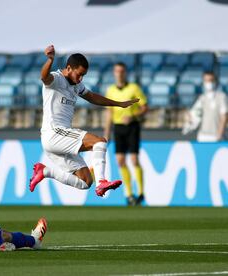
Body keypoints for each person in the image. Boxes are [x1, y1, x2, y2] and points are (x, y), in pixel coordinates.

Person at [29, 45, 139, 197]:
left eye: (83, 76)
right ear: (69, 68)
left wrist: (118, 104)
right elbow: (44, 77)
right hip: (54, 133)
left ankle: (45, 171)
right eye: (79, 74)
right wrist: (50, 60)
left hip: (58, 141)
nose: (80, 79)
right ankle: (101, 183)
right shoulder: (56, 79)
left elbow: (92, 97)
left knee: (85, 182)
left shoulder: (77, 85)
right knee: (99, 142)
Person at [103, 62, 148, 206]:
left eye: (122, 71)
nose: (119, 74)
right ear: (114, 73)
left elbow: (145, 107)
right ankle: (129, 194)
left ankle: (141, 192)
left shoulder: (134, 88)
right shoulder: (110, 90)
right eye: (117, 71)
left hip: (132, 126)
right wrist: (107, 132)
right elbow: (109, 113)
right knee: (120, 160)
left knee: (134, 159)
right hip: (118, 127)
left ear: (125, 72)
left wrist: (133, 116)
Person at [183, 71, 227, 142]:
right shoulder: (202, 98)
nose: (208, 83)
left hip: (216, 136)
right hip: (203, 136)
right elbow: (195, 115)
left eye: (210, 80)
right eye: (206, 80)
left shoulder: (221, 97)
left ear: (215, 81)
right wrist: (189, 118)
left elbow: (224, 116)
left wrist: (220, 134)